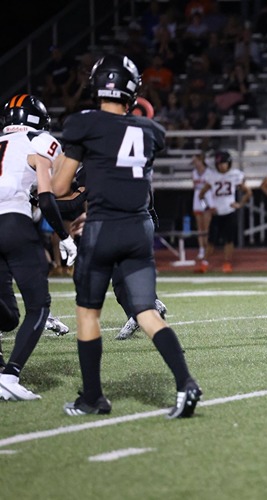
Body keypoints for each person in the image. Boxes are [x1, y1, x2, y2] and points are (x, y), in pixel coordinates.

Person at [52, 54, 201, 418]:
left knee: (88, 313)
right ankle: (185, 383)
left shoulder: (83, 123)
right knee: (147, 312)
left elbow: (58, 187)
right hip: (138, 228)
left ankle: (93, 398)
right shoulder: (150, 131)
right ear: (132, 90)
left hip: (102, 227)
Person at [0, 94, 78, 401]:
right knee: (39, 306)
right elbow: (48, 195)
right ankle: (10, 375)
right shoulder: (38, 140)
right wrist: (64, 236)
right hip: (12, 224)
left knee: (7, 315)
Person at [199, 150, 252, 273]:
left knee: (229, 240)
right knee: (211, 241)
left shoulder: (235, 175)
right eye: (219, 164)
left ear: (229, 163)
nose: (221, 166)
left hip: (229, 212)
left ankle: (227, 263)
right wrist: (207, 207)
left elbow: (248, 192)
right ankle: (204, 263)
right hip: (217, 213)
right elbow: (201, 195)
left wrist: (240, 204)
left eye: (223, 163)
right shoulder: (212, 176)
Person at [191, 153, 213, 265]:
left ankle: (207, 248)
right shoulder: (194, 173)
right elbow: (195, 186)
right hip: (197, 199)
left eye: (196, 161)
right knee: (199, 226)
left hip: (206, 198)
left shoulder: (209, 172)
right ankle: (201, 249)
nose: (195, 164)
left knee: (206, 226)